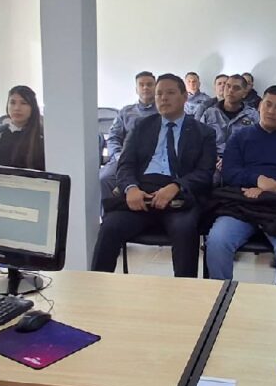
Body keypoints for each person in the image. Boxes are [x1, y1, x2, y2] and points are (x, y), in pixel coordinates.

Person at [91, 74, 215, 277]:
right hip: (142, 193)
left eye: (170, 93)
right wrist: (131, 188)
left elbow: (205, 173)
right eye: (159, 94)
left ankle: (186, 297)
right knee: (110, 227)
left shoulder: (203, 133)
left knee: (185, 230)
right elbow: (125, 164)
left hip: (178, 198)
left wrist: (176, 187)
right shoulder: (142, 127)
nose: (163, 98)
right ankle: (93, 292)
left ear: (185, 97)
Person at [205, 86, 276, 286]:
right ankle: (219, 297)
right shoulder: (239, 137)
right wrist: (257, 180)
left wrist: (270, 189)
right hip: (242, 204)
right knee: (217, 240)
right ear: (259, 106)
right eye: (268, 104)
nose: (271, 111)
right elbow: (229, 172)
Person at [99, 71, 157, 199]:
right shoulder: (126, 112)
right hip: (125, 159)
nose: (145, 87)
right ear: (136, 89)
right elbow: (113, 137)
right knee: (103, 179)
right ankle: (109, 217)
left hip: (155, 161)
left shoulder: (163, 111)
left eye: (149, 84)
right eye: (141, 85)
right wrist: (119, 156)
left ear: (156, 87)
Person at [197, 73, 259, 170]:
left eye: (236, 88)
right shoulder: (209, 113)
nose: (230, 90)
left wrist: (232, 160)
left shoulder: (252, 115)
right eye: (228, 86)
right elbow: (199, 141)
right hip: (212, 161)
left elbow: (256, 145)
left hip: (241, 163)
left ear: (244, 93)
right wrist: (214, 158)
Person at [0, 84, 45, 170]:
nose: (17, 108)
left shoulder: (41, 137)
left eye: (23, 103)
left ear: (32, 107)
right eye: (12, 103)